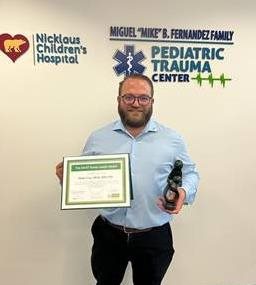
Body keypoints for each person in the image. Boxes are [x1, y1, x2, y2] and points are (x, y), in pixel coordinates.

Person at [56, 74, 199, 285]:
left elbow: (190, 173)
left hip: (154, 235)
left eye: (143, 98)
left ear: (151, 101)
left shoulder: (172, 139)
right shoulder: (98, 137)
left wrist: (183, 192)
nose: (136, 104)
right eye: (129, 97)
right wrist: (67, 178)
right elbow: (85, 179)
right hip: (109, 234)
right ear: (119, 100)